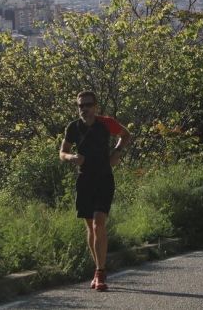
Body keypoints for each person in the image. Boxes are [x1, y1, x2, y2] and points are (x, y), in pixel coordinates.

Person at [59, 90, 131, 292]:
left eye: (88, 105)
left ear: (96, 106)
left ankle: (101, 272)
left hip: (104, 178)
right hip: (84, 179)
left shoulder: (106, 123)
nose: (84, 109)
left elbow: (126, 135)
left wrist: (116, 152)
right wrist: (71, 158)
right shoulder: (73, 127)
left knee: (100, 224)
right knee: (90, 227)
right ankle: (97, 269)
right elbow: (62, 152)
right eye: (80, 105)